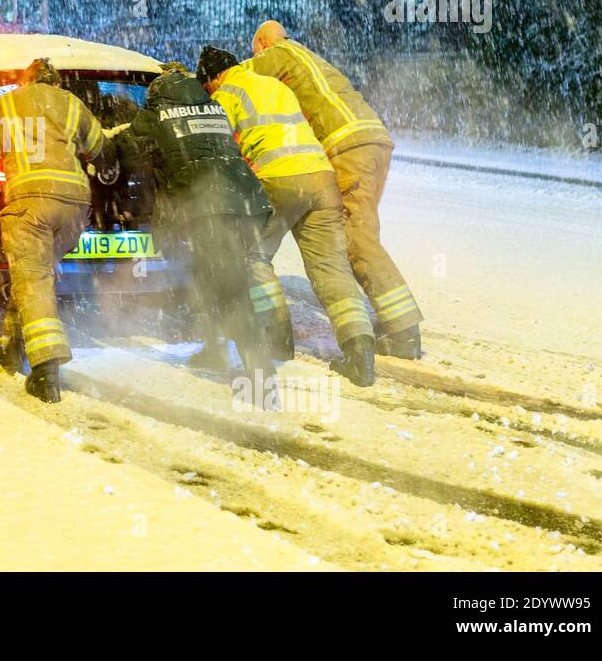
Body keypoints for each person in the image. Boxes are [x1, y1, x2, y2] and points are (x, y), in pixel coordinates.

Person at [197, 46, 377, 387]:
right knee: (331, 266)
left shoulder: (227, 94)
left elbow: (218, 148)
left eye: (207, 86)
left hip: (278, 177)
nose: (209, 92)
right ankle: (360, 353)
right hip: (322, 178)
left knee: (253, 256)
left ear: (214, 77)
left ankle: (276, 340)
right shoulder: (275, 86)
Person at [249, 20, 422, 358]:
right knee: (362, 232)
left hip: (345, 146)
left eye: (254, 49)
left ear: (261, 43)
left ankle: (404, 335)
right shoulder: (309, 57)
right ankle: (398, 325)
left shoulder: (276, 55)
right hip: (373, 140)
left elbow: (235, 79)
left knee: (356, 239)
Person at [114, 63, 276, 403]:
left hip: (212, 208)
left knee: (231, 289)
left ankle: (261, 378)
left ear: (159, 89)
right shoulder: (212, 105)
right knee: (211, 278)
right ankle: (215, 350)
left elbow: (128, 147)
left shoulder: (158, 111)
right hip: (247, 202)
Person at [0, 58, 116, 403]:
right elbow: (100, 149)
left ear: (26, 81)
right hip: (73, 207)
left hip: (30, 204)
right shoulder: (71, 103)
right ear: (55, 83)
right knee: (33, 274)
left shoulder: (5, 105)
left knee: (33, 277)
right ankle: (11, 346)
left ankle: (45, 372)